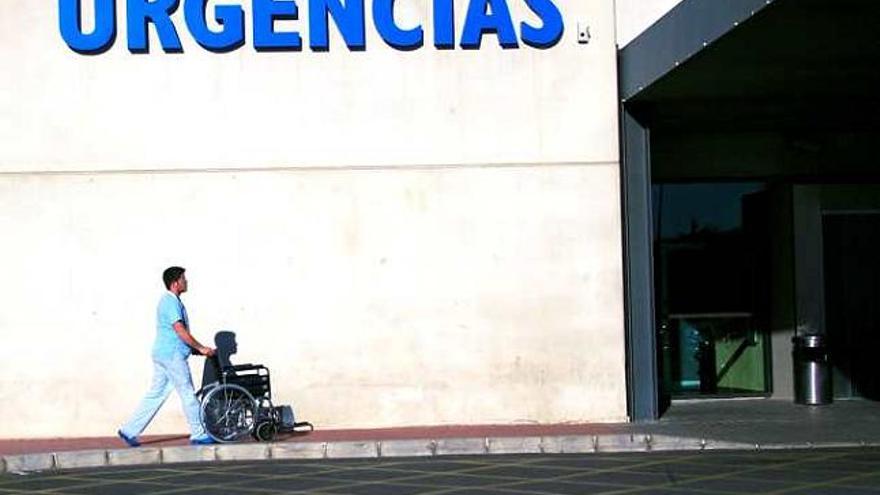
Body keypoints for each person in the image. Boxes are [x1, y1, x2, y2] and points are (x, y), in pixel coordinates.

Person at [117, 266, 217, 446]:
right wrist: (201, 348)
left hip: (164, 354)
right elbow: (179, 330)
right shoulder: (170, 302)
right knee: (187, 393)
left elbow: (176, 334)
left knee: (156, 394)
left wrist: (196, 350)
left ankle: (128, 430)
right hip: (171, 356)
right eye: (183, 279)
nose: (186, 281)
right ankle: (199, 434)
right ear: (175, 283)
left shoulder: (171, 302)